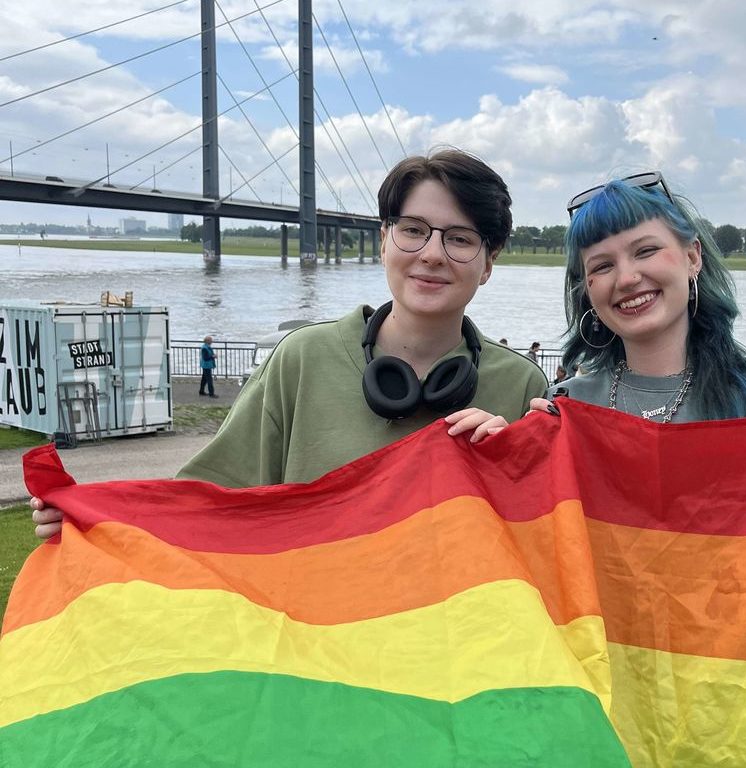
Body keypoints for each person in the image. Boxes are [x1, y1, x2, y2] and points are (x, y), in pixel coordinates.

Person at [485, 172, 746, 767]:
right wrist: (495, 467)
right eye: (601, 265)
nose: (626, 277)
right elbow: (534, 595)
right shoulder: (566, 412)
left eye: (645, 250)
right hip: (610, 724)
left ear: (692, 256)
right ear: (587, 288)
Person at [31, 148, 548, 528]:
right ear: (384, 239)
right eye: (413, 230)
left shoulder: (521, 386)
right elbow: (205, 500)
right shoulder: (301, 360)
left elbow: (544, 542)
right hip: (309, 636)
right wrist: (93, 516)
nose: (432, 254)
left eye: (459, 239)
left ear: (489, 262)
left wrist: (509, 469)